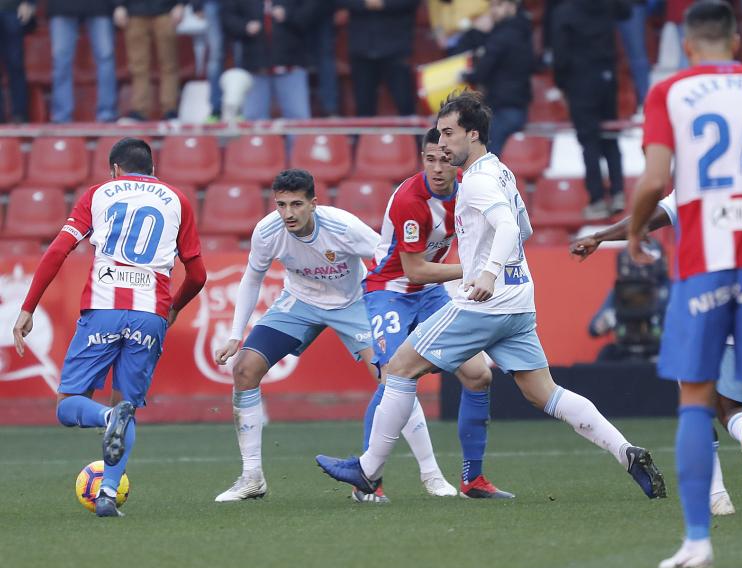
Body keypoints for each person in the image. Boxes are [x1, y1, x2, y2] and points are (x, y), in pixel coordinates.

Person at [316, 90, 667, 502]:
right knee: (545, 392)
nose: (442, 143)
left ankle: (367, 469)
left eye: (449, 134)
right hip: (520, 300)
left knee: (399, 369)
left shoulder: (478, 181)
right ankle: (624, 451)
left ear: (474, 134)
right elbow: (525, 228)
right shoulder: (500, 171)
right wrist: (497, 264)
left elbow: (507, 228)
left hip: (486, 302)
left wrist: (487, 271)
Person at [627, 1, 742, 568]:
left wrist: (632, 233)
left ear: (690, 42)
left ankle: (698, 540)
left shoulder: (669, 93)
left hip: (703, 264)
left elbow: (655, 178)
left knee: (695, 402)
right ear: (734, 39)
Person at [213, 169, 456, 502]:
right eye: (281, 205)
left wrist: (396, 305)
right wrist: (234, 335)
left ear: (314, 203)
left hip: (354, 301)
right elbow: (252, 278)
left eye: (296, 204)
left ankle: (431, 475)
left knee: (394, 376)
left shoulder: (343, 227)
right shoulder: (268, 231)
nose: (288, 213)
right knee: (244, 369)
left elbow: (388, 259)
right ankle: (251, 477)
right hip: (300, 301)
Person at [571, 190, 742, 515]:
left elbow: (646, 220)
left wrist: (598, 236)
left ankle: (717, 497)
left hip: (703, 306)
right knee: (733, 406)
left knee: (696, 401)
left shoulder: (700, 184)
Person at [11, 138, 207, 517]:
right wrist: (175, 308)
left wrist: (28, 306)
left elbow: (57, 251)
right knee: (127, 406)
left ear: (115, 168)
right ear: (152, 168)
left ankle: (105, 419)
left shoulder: (98, 193)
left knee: (68, 407)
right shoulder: (177, 199)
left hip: (103, 309)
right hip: (151, 314)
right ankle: (107, 495)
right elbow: (197, 274)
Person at [362, 127, 510, 501]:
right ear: (422, 160)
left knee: (479, 375)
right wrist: (474, 271)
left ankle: (473, 480)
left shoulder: (469, 188)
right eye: (430, 159)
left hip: (432, 294)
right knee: (392, 377)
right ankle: (368, 481)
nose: (438, 168)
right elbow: (415, 271)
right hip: (391, 291)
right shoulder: (410, 199)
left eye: (445, 159)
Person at [552, 0, 630, 220]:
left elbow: (560, 53)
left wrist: (561, 84)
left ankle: (596, 200)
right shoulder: (607, 5)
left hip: (580, 82)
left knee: (589, 141)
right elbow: (627, 11)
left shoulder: (564, 12)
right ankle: (618, 193)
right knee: (610, 138)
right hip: (607, 77)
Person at [459, 0, 536, 158]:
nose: (493, 10)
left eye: (499, 5)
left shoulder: (501, 36)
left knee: (486, 159)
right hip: (517, 107)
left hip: (502, 108)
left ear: (512, 6)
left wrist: (465, 76)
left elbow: (482, 72)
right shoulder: (524, 31)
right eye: (492, 6)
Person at [222, 0, 314, 121]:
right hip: (255, 66)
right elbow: (227, 17)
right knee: (254, 122)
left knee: (298, 121)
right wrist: (244, 27)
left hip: (291, 64)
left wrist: (288, 15)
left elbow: (311, 11)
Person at [338, 0, 419, 117]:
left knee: (405, 102)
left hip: (396, 46)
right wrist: (366, 3)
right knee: (363, 107)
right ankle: (364, 135)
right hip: (362, 47)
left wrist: (383, 3)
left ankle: (414, 135)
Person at [114, 1, 185, 121]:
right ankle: (139, 111)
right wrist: (119, 5)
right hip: (134, 12)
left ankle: (170, 110)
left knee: (169, 64)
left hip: (166, 11)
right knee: (138, 67)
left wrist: (180, 4)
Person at [48, 0, 118, 123]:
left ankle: (107, 114)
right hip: (62, 7)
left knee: (105, 58)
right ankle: (62, 116)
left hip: (99, 6)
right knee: (61, 61)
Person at [0, 0, 34, 123]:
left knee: (16, 65)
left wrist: (29, 3)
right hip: (11, 12)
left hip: (12, 10)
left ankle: (19, 114)